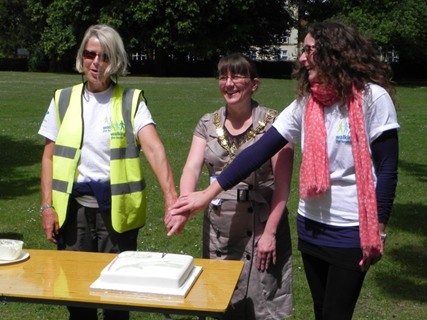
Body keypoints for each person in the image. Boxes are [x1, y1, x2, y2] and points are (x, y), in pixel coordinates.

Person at [168, 22, 399, 320]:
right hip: (312, 227)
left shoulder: (372, 98)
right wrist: (207, 194)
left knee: (335, 314)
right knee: (320, 311)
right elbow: (257, 152)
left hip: (351, 230)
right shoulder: (308, 102)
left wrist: (378, 227)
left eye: (308, 50)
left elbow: (387, 167)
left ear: (334, 52)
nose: (302, 58)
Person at [38, 24, 177, 320]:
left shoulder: (131, 100)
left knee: (117, 300)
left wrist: (170, 196)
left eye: (104, 56)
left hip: (117, 214)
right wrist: (48, 206)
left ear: (116, 60)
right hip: (73, 214)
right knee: (76, 299)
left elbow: (153, 148)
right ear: (82, 57)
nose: (96, 63)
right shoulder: (63, 99)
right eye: (90, 55)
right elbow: (49, 156)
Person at [166, 53, 293, 320]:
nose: (229, 83)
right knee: (220, 301)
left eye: (237, 76)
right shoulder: (207, 123)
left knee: (264, 305)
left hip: (261, 227)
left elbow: (283, 187)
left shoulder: (275, 124)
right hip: (220, 229)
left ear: (254, 84)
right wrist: (184, 206)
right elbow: (191, 167)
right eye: (223, 76)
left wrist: (270, 233)